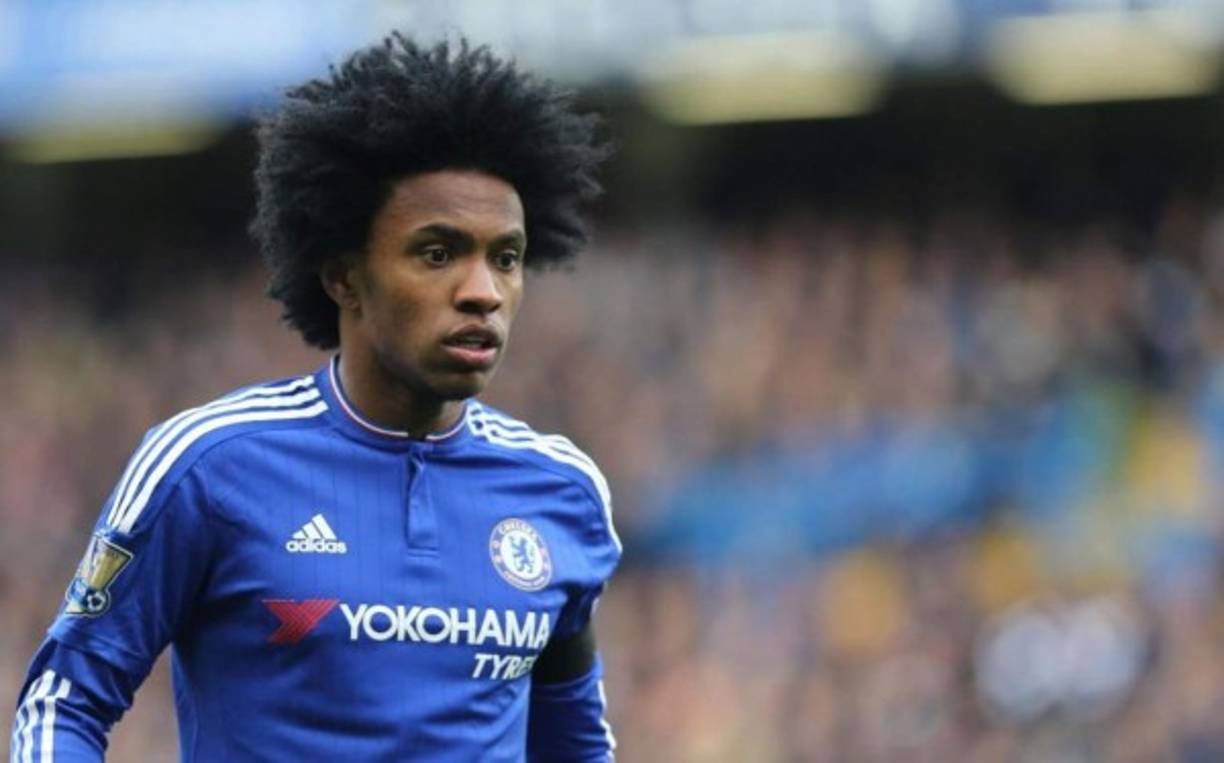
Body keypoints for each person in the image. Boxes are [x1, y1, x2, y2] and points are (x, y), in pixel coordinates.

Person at [10, 33, 620, 761]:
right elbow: (65, 700)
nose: (483, 291)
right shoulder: (207, 466)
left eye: (507, 258)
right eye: (437, 252)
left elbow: (574, 744)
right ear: (342, 276)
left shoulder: (562, 490)